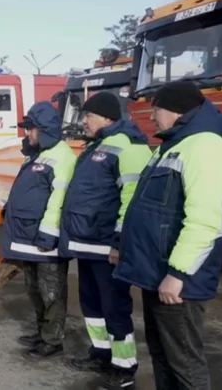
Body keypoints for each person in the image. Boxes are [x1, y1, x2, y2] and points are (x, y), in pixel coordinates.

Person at [115, 81, 222, 390]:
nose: (151, 117)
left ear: (175, 110)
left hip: (176, 279)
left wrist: (178, 273)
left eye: (155, 110)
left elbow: (206, 220)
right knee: (163, 355)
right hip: (157, 272)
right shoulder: (174, 144)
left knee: (184, 363)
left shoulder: (205, 146)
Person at [59, 92, 152, 390]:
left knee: (114, 307)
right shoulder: (95, 146)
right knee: (91, 304)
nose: (84, 121)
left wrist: (119, 241)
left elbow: (133, 198)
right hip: (88, 243)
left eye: (89, 115)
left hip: (107, 245)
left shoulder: (128, 145)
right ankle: (100, 353)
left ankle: (124, 368)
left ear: (107, 117)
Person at [0, 102, 77, 360]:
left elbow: (59, 198)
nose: (27, 133)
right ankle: (42, 331)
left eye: (31, 129)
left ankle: (52, 339)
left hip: (45, 238)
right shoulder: (37, 154)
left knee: (51, 290)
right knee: (34, 288)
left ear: (44, 129)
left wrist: (48, 233)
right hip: (28, 236)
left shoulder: (62, 156)